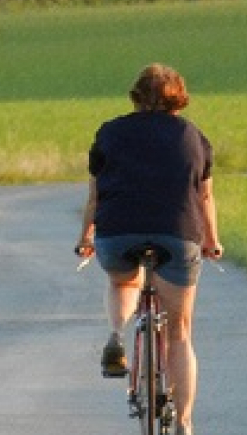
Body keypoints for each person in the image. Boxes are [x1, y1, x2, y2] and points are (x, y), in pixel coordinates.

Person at [75, 63, 222, 435]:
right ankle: (185, 425)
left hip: (117, 233)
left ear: (137, 97)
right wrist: (211, 240)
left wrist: (85, 237)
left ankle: (116, 336)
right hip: (178, 233)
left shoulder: (110, 133)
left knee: (124, 283)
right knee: (180, 331)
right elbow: (204, 196)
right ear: (180, 99)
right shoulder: (193, 136)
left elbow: (95, 196)